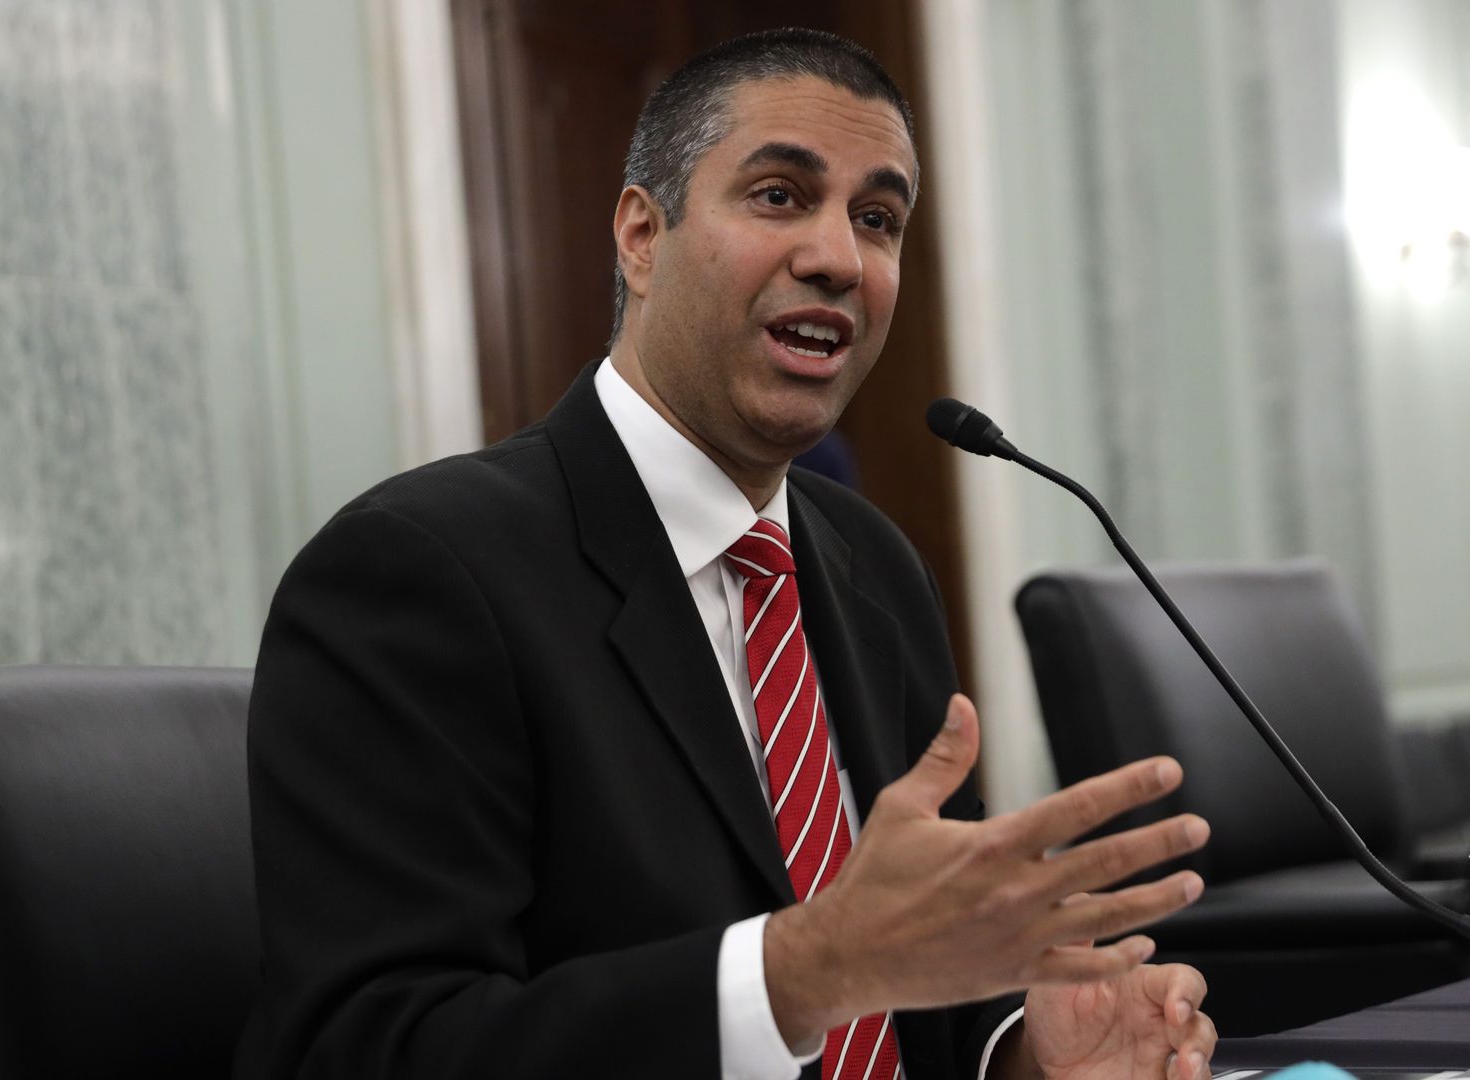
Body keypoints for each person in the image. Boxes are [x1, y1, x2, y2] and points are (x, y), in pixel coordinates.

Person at [237, 28, 1218, 1080]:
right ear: (640, 235)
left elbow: (916, 991)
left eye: (877, 220)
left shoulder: (874, 568)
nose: (839, 258)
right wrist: (801, 973)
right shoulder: (420, 573)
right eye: (780, 196)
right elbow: (371, 1048)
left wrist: (1024, 1054)